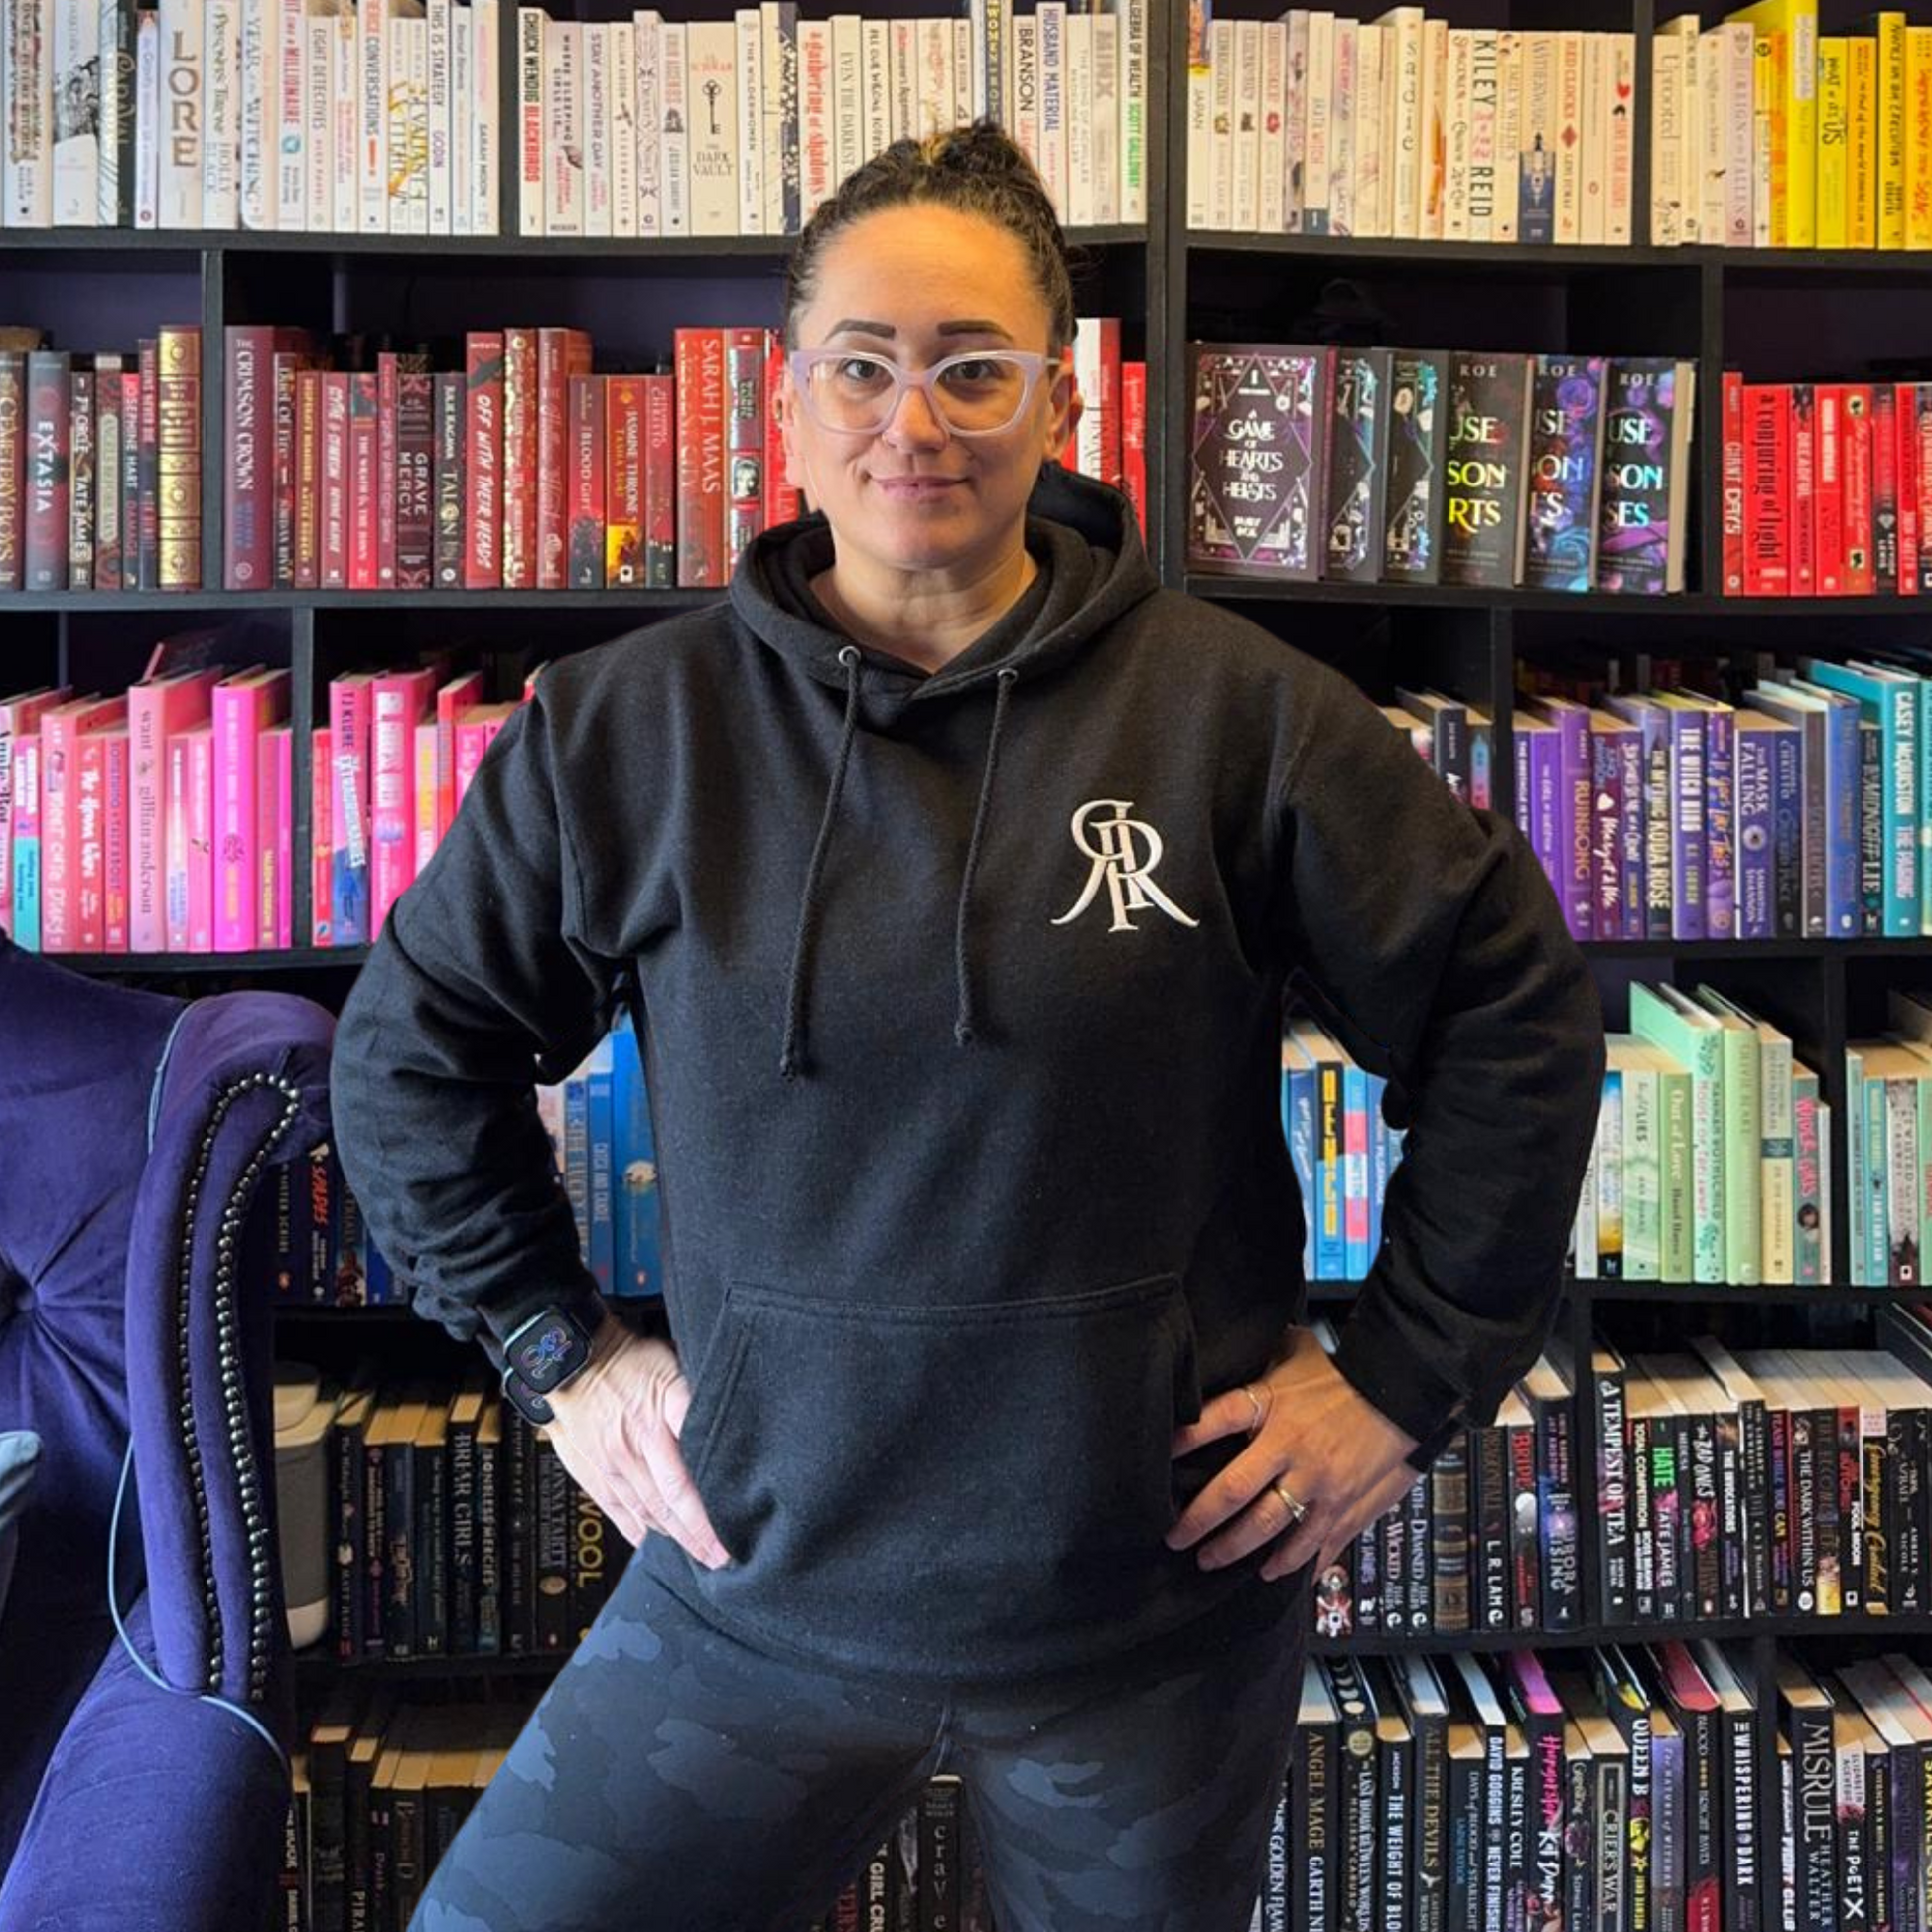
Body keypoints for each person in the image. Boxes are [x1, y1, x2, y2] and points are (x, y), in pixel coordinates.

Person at [329, 121, 1605, 1932]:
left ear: (1057, 401)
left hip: (1147, 1626)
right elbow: (409, 1052)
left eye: (971, 367)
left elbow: (1512, 1010)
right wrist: (560, 1348)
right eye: (860, 365)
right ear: (786, 403)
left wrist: (1407, 1375)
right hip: (748, 1594)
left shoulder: (1242, 720)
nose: (910, 420)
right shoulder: (627, 732)